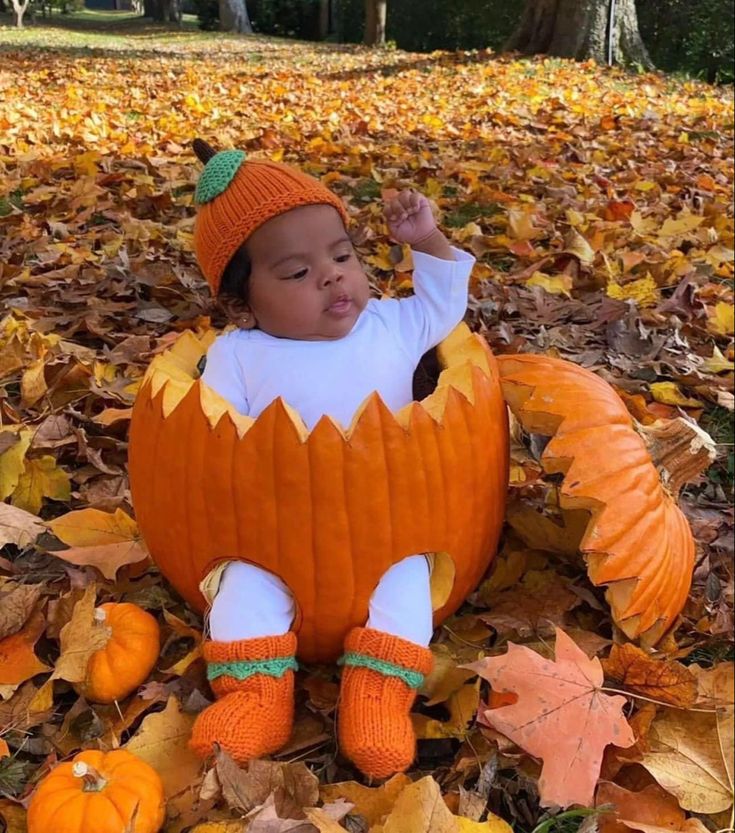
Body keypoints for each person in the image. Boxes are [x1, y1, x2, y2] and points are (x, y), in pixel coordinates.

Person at [186, 138, 476, 779]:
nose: (331, 276)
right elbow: (209, 438)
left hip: (389, 520)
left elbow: (443, 304)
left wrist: (425, 239)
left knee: (406, 589)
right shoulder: (239, 355)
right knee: (243, 588)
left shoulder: (391, 327)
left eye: (342, 255)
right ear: (242, 303)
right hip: (276, 528)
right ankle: (256, 693)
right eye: (295, 273)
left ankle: (379, 692)